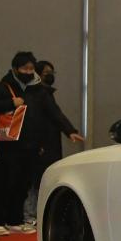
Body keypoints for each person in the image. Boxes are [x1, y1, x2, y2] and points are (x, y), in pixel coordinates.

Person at [21, 59, 85, 225]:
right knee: (35, 180)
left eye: (51, 72)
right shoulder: (36, 93)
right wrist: (69, 130)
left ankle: (36, 214)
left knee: (42, 179)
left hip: (48, 143)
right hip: (39, 143)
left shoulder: (44, 93)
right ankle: (29, 215)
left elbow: (56, 115)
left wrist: (69, 131)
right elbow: (55, 115)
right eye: (46, 73)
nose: (50, 76)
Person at [0, 52, 35, 234]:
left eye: (31, 69)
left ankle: (15, 220)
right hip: (5, 145)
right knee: (3, 183)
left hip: (26, 145)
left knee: (21, 185)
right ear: (15, 69)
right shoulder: (2, 88)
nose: (28, 72)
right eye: (25, 68)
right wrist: (11, 103)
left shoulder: (35, 88)